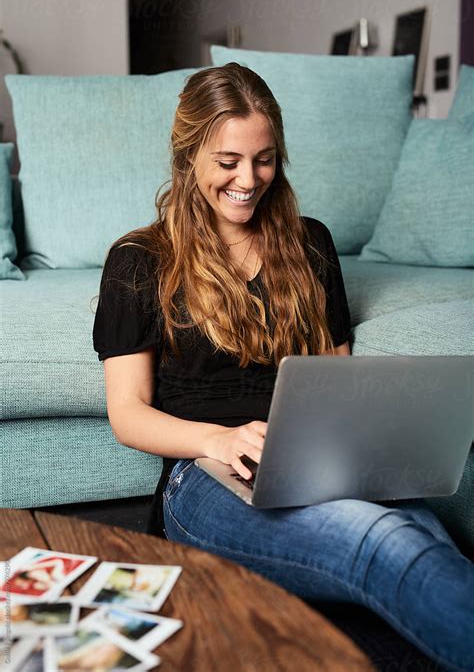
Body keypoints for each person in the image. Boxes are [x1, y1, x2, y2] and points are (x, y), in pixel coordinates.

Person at [93, 63, 474, 672]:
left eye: (265, 159)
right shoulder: (139, 259)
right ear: (188, 155)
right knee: (387, 543)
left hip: (314, 466)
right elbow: (127, 413)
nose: (249, 179)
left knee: (426, 532)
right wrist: (222, 438)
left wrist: (376, 448)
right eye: (228, 161)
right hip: (206, 476)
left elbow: (338, 385)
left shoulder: (311, 245)